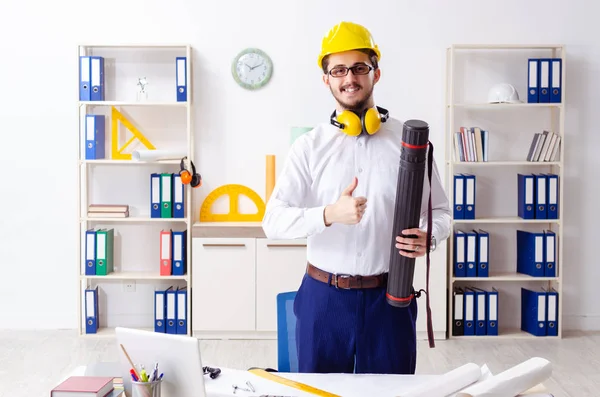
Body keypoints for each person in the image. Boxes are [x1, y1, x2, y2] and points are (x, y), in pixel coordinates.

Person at [261, 21, 451, 375]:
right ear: (327, 79)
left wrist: (432, 234)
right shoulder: (309, 147)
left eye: (360, 67)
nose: (350, 78)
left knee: (392, 391)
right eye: (339, 70)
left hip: (390, 296)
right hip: (324, 299)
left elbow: (440, 210)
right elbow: (272, 221)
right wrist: (328, 214)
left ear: (376, 73)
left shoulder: (410, 143)